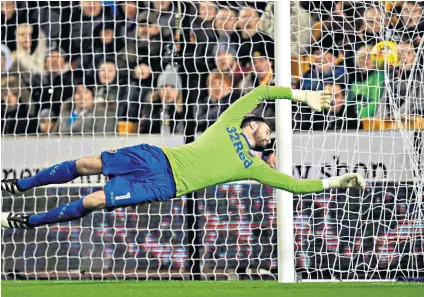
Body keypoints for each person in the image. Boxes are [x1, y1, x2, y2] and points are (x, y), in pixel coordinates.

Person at [1, 86, 365, 229]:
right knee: (84, 165)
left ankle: (26, 221)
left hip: (165, 184)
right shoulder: (229, 120)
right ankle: (21, 185)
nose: (271, 136)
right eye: (269, 129)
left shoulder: (252, 164)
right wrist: (302, 96)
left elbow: (293, 185)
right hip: (155, 157)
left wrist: (336, 181)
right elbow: (265, 89)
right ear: (254, 123)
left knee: (94, 199)